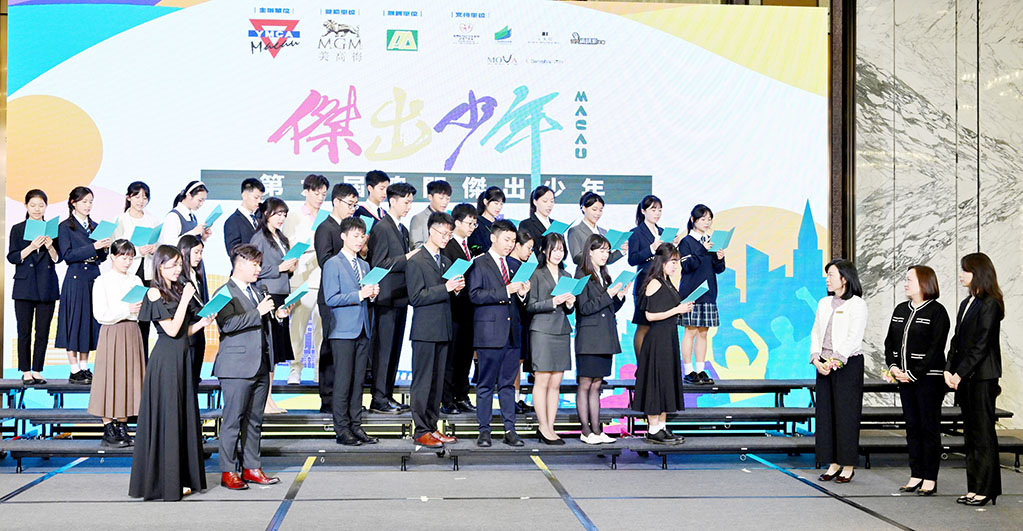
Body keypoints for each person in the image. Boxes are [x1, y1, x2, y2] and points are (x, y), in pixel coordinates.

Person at [129, 245, 214, 501]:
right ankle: (164, 483)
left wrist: (202, 323)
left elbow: (185, 330)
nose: (178, 269)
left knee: (182, 416)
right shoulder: (154, 292)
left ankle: (182, 478)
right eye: (172, 265)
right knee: (168, 417)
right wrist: (186, 299)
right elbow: (172, 330)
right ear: (159, 265)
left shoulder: (177, 289)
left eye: (179, 264)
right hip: (165, 360)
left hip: (183, 357)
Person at [213, 244, 292, 491]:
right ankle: (228, 471)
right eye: (255, 264)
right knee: (232, 420)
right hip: (235, 367)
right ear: (240, 264)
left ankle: (252, 467)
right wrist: (257, 312)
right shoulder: (223, 291)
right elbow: (227, 325)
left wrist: (278, 317)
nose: (259, 269)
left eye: (259, 264)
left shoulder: (259, 291)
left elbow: (264, 325)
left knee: (254, 420)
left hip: (260, 364)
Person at [883, 265, 950, 496]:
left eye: (909, 279)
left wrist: (914, 373)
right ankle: (916, 474)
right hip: (904, 379)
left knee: (928, 427)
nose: (905, 283)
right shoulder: (901, 309)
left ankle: (930, 478)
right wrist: (894, 367)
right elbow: (890, 343)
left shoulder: (937, 312)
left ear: (925, 282)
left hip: (928, 380)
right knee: (912, 427)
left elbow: (936, 348)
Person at [945, 252, 1004, 506]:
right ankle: (974, 487)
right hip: (965, 377)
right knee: (970, 434)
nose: (961, 275)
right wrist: (948, 368)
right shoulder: (966, 303)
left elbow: (981, 346)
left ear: (978, 273)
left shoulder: (990, 303)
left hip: (982, 377)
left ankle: (987, 489)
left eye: (965, 270)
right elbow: (957, 340)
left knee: (983, 434)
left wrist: (959, 373)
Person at [469, 219, 530, 447]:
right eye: (506, 239)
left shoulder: (514, 265)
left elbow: (520, 302)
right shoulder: (479, 263)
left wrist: (522, 294)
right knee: (485, 385)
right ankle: (484, 431)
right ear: (493, 238)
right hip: (489, 334)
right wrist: (505, 291)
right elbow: (474, 295)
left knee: (508, 385)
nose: (510, 244)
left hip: (512, 333)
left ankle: (510, 429)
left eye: (513, 241)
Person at [406, 212, 465, 448]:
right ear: (431, 231)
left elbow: (447, 293)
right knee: (423, 382)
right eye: (443, 233)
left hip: (443, 328)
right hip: (424, 330)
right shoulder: (416, 261)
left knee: (437, 382)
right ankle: (421, 429)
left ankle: (432, 426)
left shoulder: (446, 262)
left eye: (449, 234)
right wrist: (446, 288)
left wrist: (456, 290)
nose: (446, 238)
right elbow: (416, 297)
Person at [322, 217, 380, 446]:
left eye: (362, 236)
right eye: (355, 235)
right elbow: (331, 298)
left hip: (363, 329)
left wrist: (371, 294)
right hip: (343, 332)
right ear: (343, 236)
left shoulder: (364, 265)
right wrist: (359, 295)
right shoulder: (333, 263)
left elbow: (364, 296)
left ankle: (356, 426)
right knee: (343, 382)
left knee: (358, 383)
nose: (360, 240)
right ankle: (342, 429)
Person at [811, 258, 867, 484]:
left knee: (846, 416)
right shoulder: (824, 303)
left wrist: (835, 360)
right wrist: (816, 359)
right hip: (823, 365)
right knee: (826, 415)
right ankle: (833, 463)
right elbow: (816, 331)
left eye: (831, 275)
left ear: (844, 279)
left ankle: (848, 465)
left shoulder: (857, 304)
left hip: (847, 365)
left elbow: (854, 337)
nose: (827, 279)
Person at [367, 182, 419, 414]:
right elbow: (378, 263)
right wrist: (407, 258)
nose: (408, 206)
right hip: (386, 299)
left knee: (394, 350)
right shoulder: (381, 228)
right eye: (406, 202)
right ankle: (378, 398)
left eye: (410, 202)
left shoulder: (402, 230)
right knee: (383, 351)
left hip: (400, 298)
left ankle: (387, 395)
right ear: (393, 201)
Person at [89, 239, 145, 448]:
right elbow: (100, 314)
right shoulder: (102, 281)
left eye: (130, 257)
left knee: (128, 379)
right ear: (112, 256)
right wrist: (126, 309)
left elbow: (141, 309)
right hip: (112, 330)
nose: (127, 261)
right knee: (108, 377)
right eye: (123, 257)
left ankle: (122, 425)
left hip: (132, 330)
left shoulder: (136, 280)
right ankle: (108, 427)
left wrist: (138, 309)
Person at [635, 243, 693, 445]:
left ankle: (662, 426)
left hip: (668, 338)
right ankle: (653, 428)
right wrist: (677, 310)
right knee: (656, 382)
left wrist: (681, 308)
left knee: (666, 381)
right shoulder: (654, 282)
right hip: (658, 340)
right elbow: (650, 315)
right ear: (663, 261)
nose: (676, 266)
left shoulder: (666, 281)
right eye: (673, 262)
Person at [575, 234, 628, 445]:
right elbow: (584, 307)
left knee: (597, 384)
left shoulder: (605, 275)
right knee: (586, 384)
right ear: (590, 252)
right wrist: (609, 294)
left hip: (605, 336)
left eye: (607, 251)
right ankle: (585, 430)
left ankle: (597, 429)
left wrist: (619, 297)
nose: (605, 255)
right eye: (601, 251)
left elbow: (609, 308)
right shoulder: (581, 274)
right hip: (589, 338)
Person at [55, 186, 111, 384]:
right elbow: (67, 255)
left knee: (88, 321)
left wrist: (105, 249)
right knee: (74, 321)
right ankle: (74, 369)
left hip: (94, 277)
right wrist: (93, 246)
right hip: (76, 277)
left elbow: (101, 258)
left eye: (90, 201)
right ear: (73, 203)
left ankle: (85, 368)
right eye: (84, 201)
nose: (88, 205)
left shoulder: (96, 226)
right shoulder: (65, 227)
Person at [314, 183, 360, 413]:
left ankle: (344, 398)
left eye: (355, 205)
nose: (352, 209)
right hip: (332, 295)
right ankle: (328, 396)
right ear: (336, 202)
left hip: (351, 297)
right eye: (349, 204)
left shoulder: (349, 228)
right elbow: (325, 261)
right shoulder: (326, 227)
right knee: (330, 347)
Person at [525, 233, 576, 445]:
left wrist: (570, 303)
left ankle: (551, 427)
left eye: (561, 250)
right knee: (542, 380)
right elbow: (530, 305)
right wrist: (553, 301)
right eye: (554, 249)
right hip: (542, 331)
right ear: (545, 250)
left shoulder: (567, 275)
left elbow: (569, 309)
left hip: (562, 330)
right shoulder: (536, 274)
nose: (558, 253)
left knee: (556, 382)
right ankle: (543, 426)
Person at [249, 197, 298, 414]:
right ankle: (264, 400)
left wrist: (291, 267)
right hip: (267, 294)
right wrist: (279, 268)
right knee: (269, 349)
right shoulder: (259, 237)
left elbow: (284, 268)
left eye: (284, 214)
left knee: (276, 351)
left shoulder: (282, 238)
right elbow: (254, 267)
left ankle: (269, 398)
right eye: (278, 213)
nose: (281, 218)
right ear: (267, 214)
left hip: (282, 293)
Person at [7, 189, 60, 385]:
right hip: (24, 286)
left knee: (43, 332)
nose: (37, 209)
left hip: (47, 285)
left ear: (46, 206)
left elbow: (58, 258)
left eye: (41, 205)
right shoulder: (18, 229)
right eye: (33, 205)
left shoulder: (52, 229)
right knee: (24, 331)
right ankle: (25, 370)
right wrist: (31, 247)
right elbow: (13, 257)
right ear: (26, 206)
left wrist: (50, 245)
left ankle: (37, 370)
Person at [282, 174, 329, 384]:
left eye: (323, 194)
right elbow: (287, 246)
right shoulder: (294, 216)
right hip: (301, 279)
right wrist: (310, 242)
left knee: (322, 329)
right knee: (298, 328)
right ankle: (295, 368)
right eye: (316, 193)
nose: (320, 198)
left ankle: (320, 370)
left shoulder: (327, 216)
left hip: (323, 279)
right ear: (306, 192)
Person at [627, 195, 682, 365]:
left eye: (659, 209)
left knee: (659, 325)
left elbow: (668, 258)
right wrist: (652, 248)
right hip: (645, 283)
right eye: (653, 209)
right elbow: (632, 259)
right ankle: (641, 367)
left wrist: (673, 245)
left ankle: (655, 365)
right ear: (643, 211)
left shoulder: (663, 232)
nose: (657, 213)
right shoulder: (636, 233)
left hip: (663, 284)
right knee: (643, 324)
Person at [678, 204, 727, 385]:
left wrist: (720, 258)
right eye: (703, 219)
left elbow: (718, 269)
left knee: (703, 333)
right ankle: (688, 370)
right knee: (690, 331)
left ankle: (700, 369)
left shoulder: (710, 241)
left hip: (708, 291)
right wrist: (702, 249)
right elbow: (687, 265)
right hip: (692, 292)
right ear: (693, 220)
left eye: (709, 219)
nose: (707, 222)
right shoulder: (686, 242)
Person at [112, 181, 158, 359]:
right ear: (128, 197)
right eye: (137, 196)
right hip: (129, 273)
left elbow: (160, 245)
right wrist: (138, 251)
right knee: (129, 318)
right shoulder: (120, 220)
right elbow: (114, 249)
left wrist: (154, 249)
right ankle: (127, 360)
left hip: (148, 273)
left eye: (145, 197)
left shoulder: (152, 219)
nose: (141, 201)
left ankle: (144, 361)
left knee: (145, 320)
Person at [440, 203, 479, 414]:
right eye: (469, 223)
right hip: (452, 309)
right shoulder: (447, 247)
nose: (472, 227)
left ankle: (462, 395)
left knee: (465, 356)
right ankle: (448, 399)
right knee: (451, 357)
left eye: (474, 223)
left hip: (469, 310)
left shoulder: (469, 247)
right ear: (456, 222)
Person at [177, 235, 208, 386]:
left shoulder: (198, 275)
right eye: (196, 252)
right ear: (184, 251)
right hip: (186, 331)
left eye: (201, 252)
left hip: (199, 331)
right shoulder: (178, 278)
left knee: (195, 378)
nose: (199, 256)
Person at [567, 191, 625, 266]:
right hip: (585, 272)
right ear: (584, 208)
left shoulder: (603, 232)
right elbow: (576, 257)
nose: (598, 213)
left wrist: (622, 250)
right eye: (594, 209)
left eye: (600, 210)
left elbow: (608, 259)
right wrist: (594, 255)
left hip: (602, 272)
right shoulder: (575, 231)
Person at [159, 180, 212, 251]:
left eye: (203, 201)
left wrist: (203, 237)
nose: (201, 204)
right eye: (200, 200)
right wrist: (193, 232)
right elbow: (169, 244)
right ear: (189, 195)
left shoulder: (192, 217)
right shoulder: (173, 216)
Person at [223, 178, 265, 255]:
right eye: (256, 198)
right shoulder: (233, 221)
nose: (259, 201)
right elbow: (233, 252)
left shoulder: (259, 218)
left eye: (261, 198)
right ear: (244, 195)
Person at [409, 179, 452, 250]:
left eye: (447, 199)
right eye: (441, 198)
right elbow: (415, 246)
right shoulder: (419, 218)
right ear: (430, 197)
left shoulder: (448, 219)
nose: (445, 202)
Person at [517, 185, 556, 259]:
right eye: (545, 201)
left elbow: (564, 251)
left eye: (552, 201)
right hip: (538, 264)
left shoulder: (555, 225)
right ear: (535, 202)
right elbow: (525, 251)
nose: (549, 205)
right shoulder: (526, 224)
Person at [467, 186, 505, 256]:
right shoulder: (476, 223)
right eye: (496, 203)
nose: (499, 207)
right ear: (485, 201)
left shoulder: (500, 225)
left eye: (501, 204)